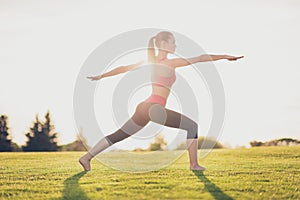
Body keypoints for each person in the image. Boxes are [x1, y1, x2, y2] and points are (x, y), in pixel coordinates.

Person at [79, 31, 243, 171]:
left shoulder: (151, 61)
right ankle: (194, 165)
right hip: (153, 108)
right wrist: (224, 56)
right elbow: (199, 58)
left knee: (119, 134)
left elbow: (123, 68)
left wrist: (101, 76)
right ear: (164, 44)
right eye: (173, 43)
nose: (176, 46)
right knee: (192, 126)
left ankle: (86, 158)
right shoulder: (170, 63)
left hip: (145, 107)